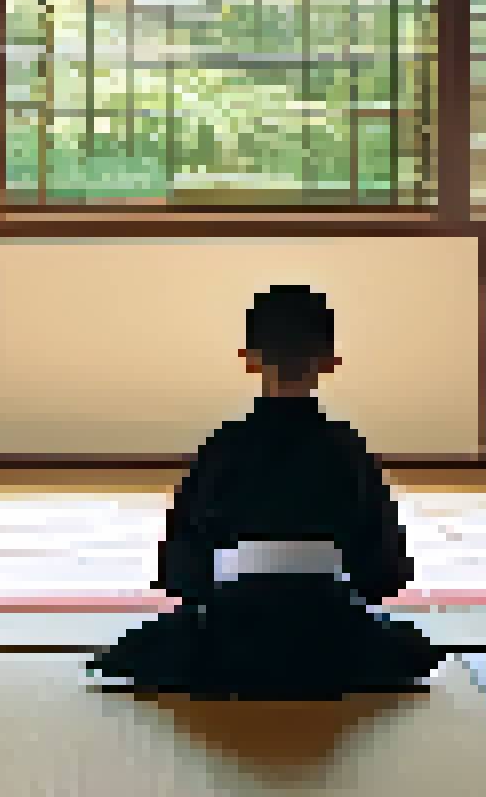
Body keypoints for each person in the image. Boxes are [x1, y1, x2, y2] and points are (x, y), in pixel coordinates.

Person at [87, 284, 449, 700]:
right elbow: (386, 572)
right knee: (414, 650)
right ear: (330, 361)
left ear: (249, 359)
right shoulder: (348, 451)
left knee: (138, 651)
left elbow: (181, 571)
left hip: (230, 632)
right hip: (329, 631)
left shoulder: (221, 448)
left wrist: (224, 598)